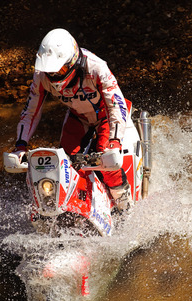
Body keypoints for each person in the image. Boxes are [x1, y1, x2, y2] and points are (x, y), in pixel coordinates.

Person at [13, 28, 132, 210]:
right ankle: (68, 207)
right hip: (78, 117)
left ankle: (125, 206)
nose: (53, 74)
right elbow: (31, 111)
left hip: (105, 115)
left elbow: (116, 104)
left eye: (58, 68)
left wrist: (115, 141)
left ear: (71, 61)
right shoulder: (41, 75)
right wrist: (21, 145)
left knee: (107, 159)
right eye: (49, 69)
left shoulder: (96, 67)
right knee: (62, 163)